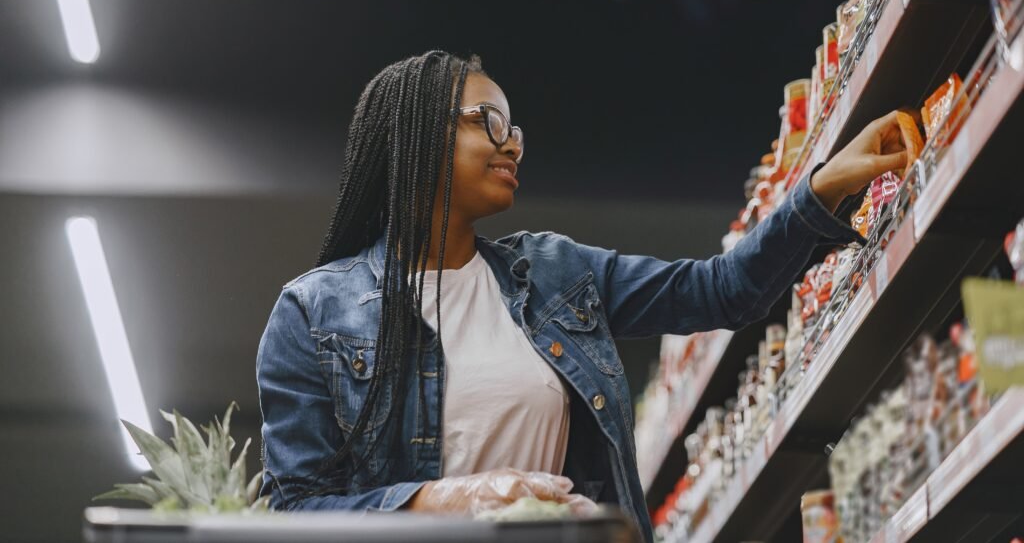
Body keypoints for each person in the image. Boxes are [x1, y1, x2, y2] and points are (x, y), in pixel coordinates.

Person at [256, 50, 908, 542]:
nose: (512, 141)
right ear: (417, 137)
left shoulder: (557, 273)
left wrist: (822, 188)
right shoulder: (314, 315)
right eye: (490, 121)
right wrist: (442, 499)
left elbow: (723, 291)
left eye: (515, 128)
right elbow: (298, 512)